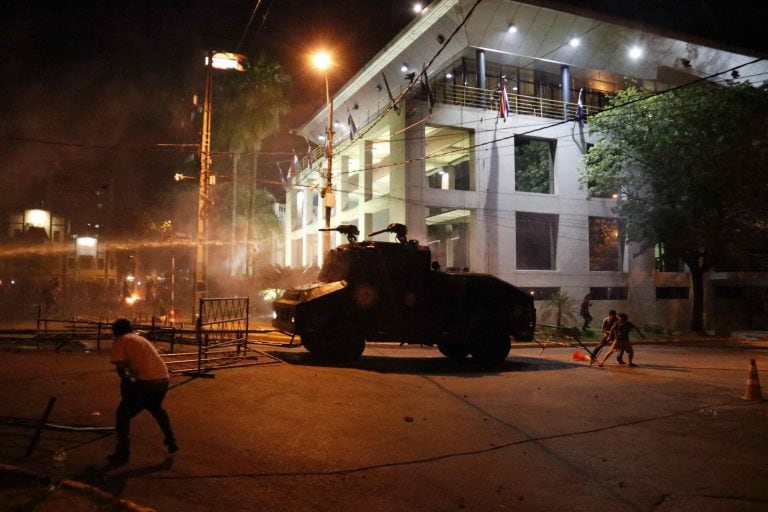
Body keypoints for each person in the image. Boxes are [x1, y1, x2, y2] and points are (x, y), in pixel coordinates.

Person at [108, 318, 177, 464]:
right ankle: (171, 440)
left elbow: (120, 367)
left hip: (146, 382)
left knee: (123, 414)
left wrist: (126, 384)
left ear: (116, 331)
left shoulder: (120, 340)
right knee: (155, 408)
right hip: (163, 379)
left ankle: (122, 451)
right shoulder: (140, 339)